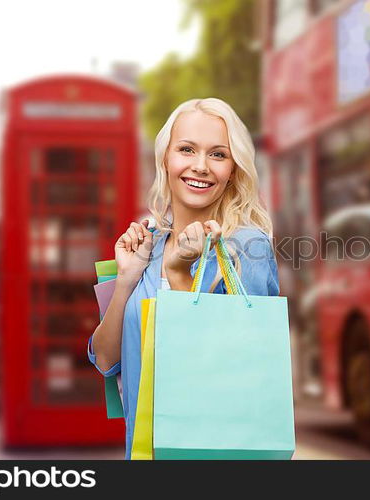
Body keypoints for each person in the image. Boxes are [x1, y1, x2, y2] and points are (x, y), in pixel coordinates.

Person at [87, 98, 280, 459]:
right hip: (143, 453)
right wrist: (127, 279)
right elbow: (105, 360)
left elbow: (233, 368)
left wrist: (178, 275)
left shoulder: (245, 247)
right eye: (187, 149)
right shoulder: (149, 243)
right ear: (165, 159)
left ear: (234, 170)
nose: (200, 166)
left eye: (218, 155)